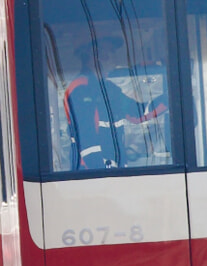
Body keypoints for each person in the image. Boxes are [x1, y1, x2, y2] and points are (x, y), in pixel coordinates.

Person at [63, 35, 165, 169]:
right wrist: (100, 174)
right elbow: (86, 140)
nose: (114, 57)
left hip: (114, 172)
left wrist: (169, 99)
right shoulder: (80, 88)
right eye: (109, 52)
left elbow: (137, 113)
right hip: (92, 174)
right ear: (94, 56)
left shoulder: (110, 89)